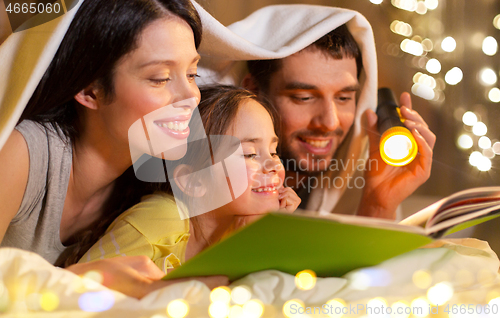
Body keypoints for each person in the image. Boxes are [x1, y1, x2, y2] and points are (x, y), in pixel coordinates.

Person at [0, 0, 230, 297]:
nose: (190, 97)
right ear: (89, 90)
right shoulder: (24, 153)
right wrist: (78, 280)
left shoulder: (150, 190)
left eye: (192, 74)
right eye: (160, 79)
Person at [78, 85, 301, 272]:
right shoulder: (161, 219)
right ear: (194, 181)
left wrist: (265, 237)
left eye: (273, 151)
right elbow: (77, 290)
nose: (274, 165)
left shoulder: (241, 227)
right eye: (250, 153)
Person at [241, 23, 436, 220]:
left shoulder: (356, 179)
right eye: (304, 97)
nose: (331, 122)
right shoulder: (219, 197)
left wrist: (377, 205)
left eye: (343, 98)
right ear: (253, 92)